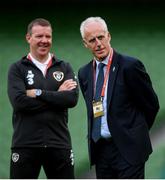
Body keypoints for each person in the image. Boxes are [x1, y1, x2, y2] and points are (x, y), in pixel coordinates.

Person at [78, 17, 159, 179]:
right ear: (85, 44)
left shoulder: (130, 66)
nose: (98, 43)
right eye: (92, 40)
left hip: (128, 149)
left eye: (100, 37)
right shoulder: (84, 73)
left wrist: (134, 134)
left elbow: (151, 105)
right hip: (101, 151)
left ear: (108, 36)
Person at [7, 18, 78, 179]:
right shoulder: (17, 68)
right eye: (39, 36)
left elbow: (72, 99)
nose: (44, 41)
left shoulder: (64, 67)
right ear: (28, 38)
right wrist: (58, 95)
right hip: (25, 144)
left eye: (48, 36)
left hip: (59, 144)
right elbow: (19, 102)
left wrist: (38, 93)